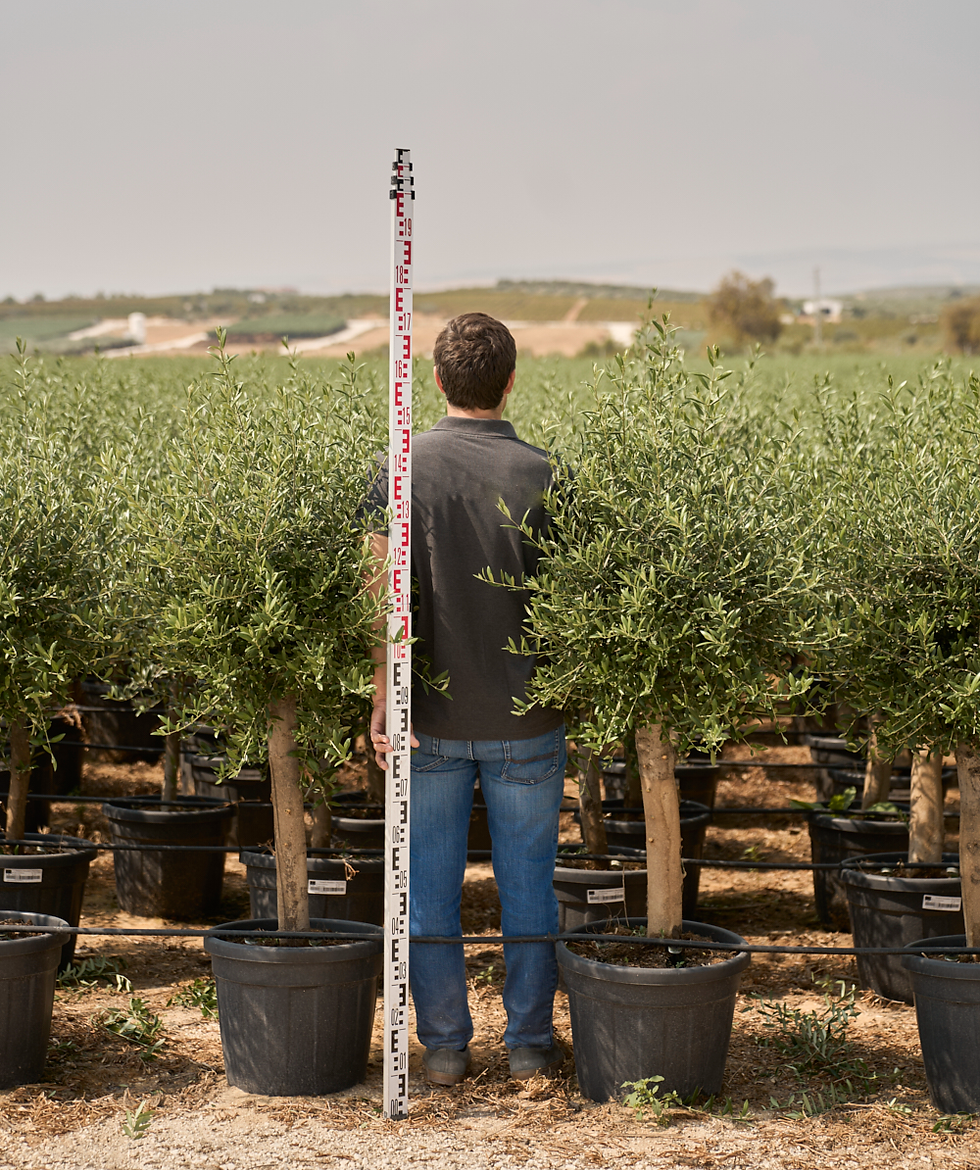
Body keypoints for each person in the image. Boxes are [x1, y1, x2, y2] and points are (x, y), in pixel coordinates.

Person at [365, 312, 566, 1086]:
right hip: (529, 725)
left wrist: (383, 701)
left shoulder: (398, 472)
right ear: (511, 380)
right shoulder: (549, 474)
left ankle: (445, 1048)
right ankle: (529, 1048)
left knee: (428, 894)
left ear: (438, 382)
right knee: (530, 892)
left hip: (429, 726)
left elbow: (376, 600)